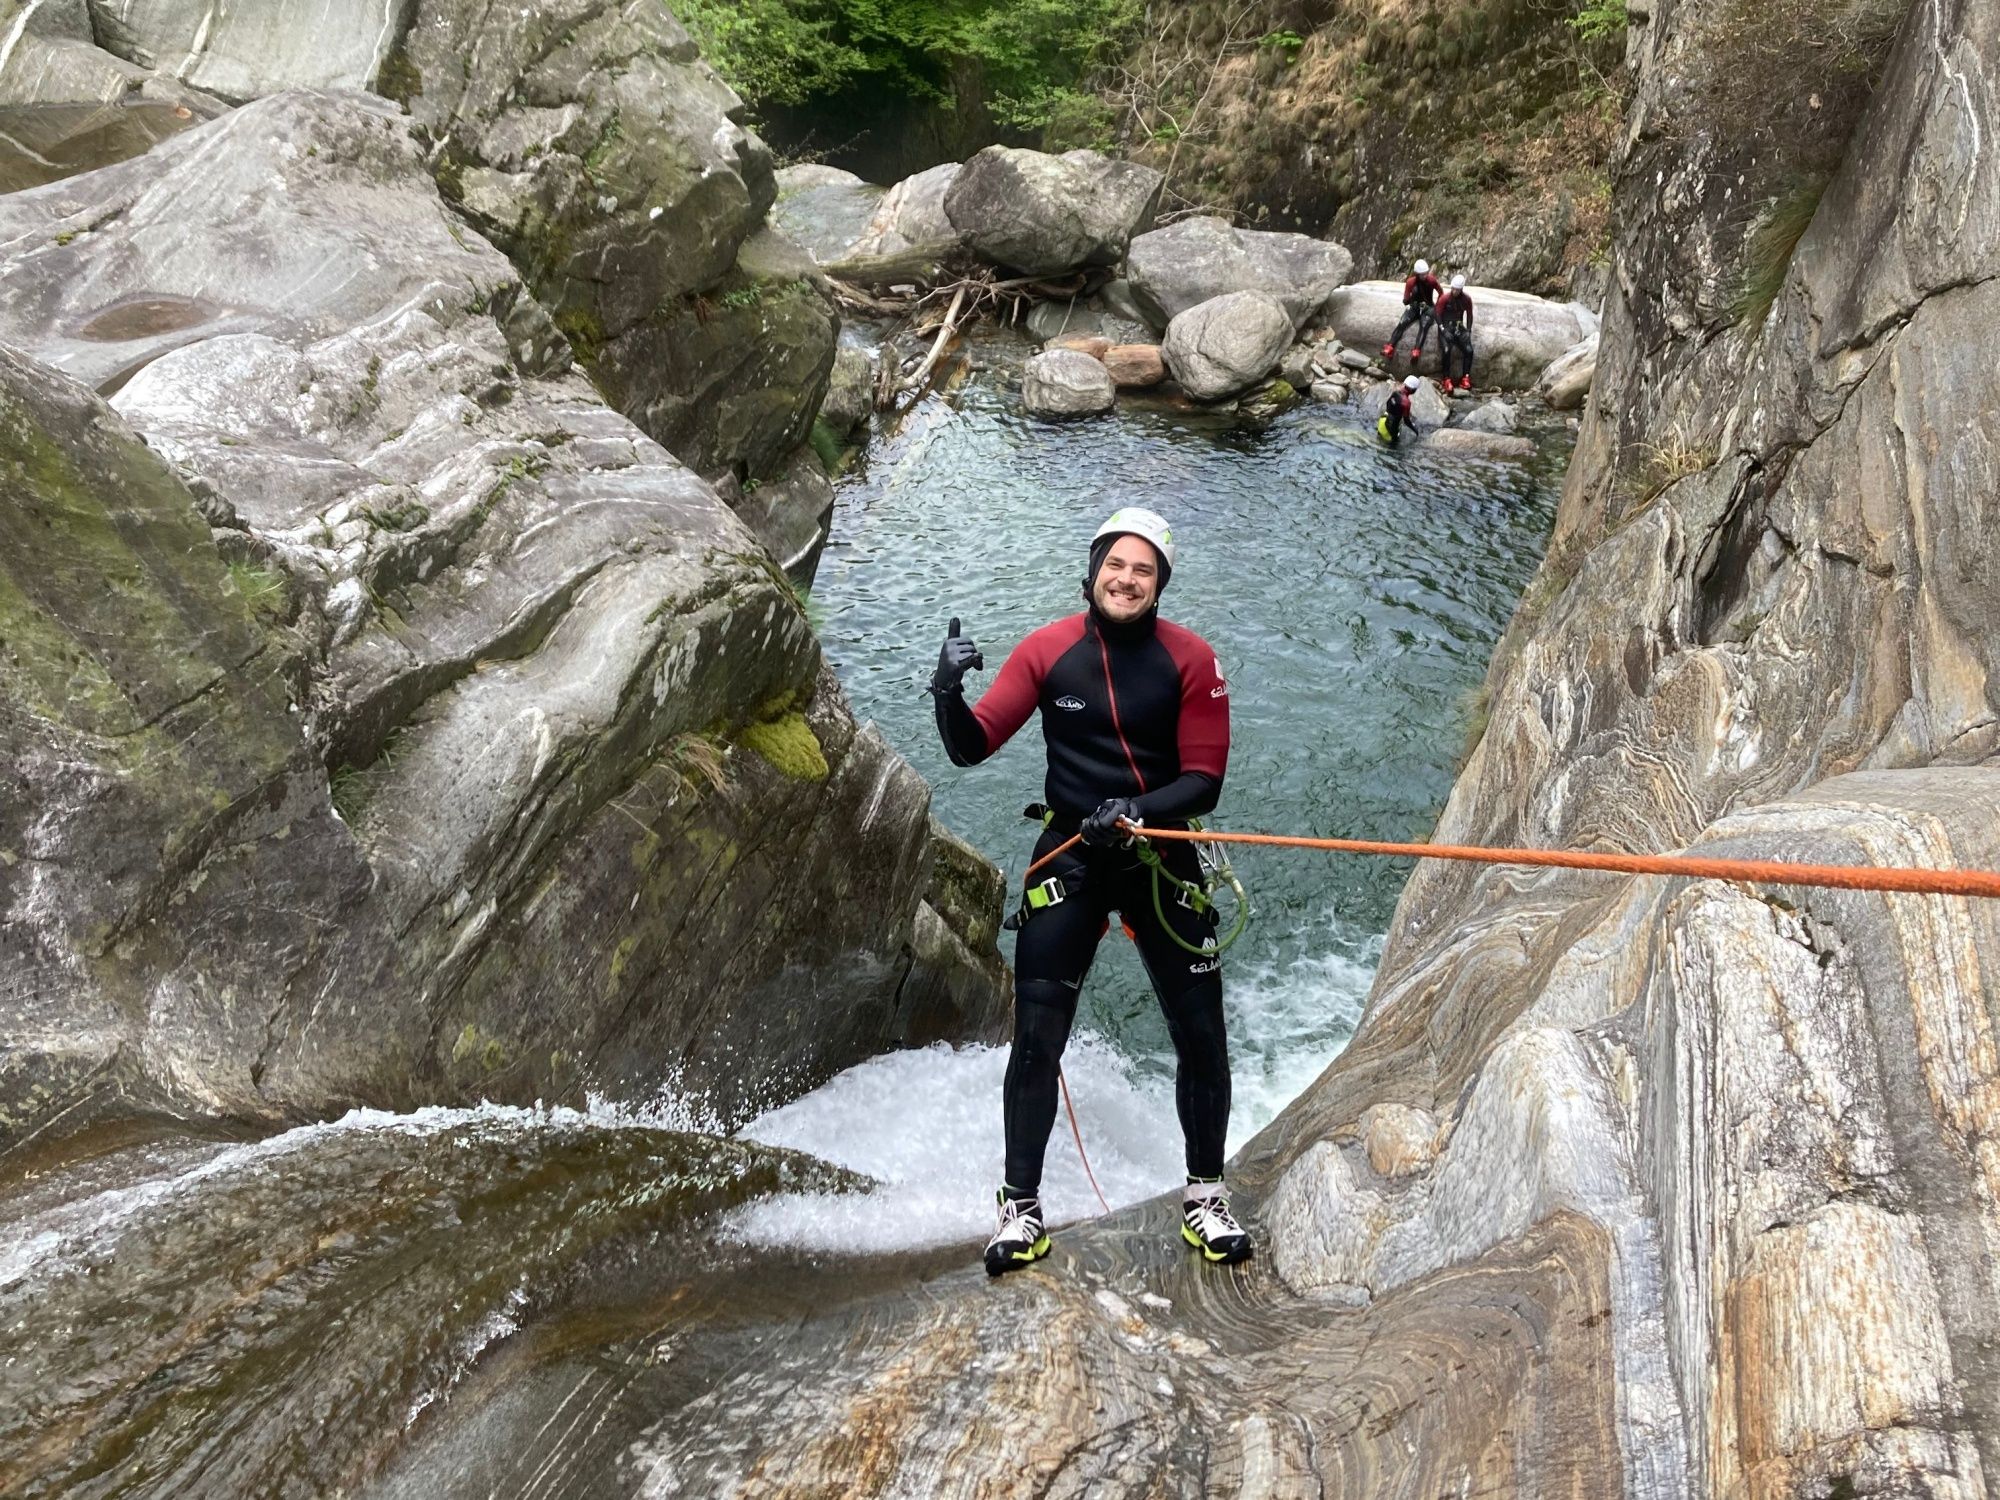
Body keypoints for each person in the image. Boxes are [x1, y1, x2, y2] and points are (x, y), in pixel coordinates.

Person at [929, 507, 1252, 1276]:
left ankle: (1205, 1198)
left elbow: (1204, 780)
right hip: (1071, 855)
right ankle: (1019, 1212)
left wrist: (1137, 811)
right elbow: (972, 747)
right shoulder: (1048, 651)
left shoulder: (1192, 660)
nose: (1128, 579)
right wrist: (944, 689)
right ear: (1094, 568)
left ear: (1159, 584)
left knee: (1200, 1035)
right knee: (1037, 1039)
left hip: (1160, 854)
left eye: (1144, 570)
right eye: (1117, 564)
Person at [1382, 258, 1443, 364]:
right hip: (1414, 307)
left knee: (1424, 327)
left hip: (1428, 307)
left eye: (1425, 274)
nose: (1424, 276)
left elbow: (1441, 293)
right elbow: (1406, 298)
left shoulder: (1431, 280)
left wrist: (1437, 307)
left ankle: (1416, 350)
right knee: (1402, 322)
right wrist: (1408, 302)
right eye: (1422, 274)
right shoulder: (1411, 282)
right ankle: (1390, 346)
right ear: (1417, 274)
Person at [1436, 274, 1475, 394]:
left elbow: (1469, 315)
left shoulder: (1466, 299)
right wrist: (1442, 329)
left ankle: (1465, 377)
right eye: (1453, 289)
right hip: (1446, 326)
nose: (1454, 291)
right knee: (1447, 349)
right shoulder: (1445, 298)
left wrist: (1468, 331)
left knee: (1469, 350)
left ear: (1461, 289)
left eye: (1457, 289)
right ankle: (1446, 378)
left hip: (1457, 326)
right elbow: (1437, 315)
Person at [1378, 373, 1423, 444]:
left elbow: (1388, 404)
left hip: (1382, 422)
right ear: (1413, 390)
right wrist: (1416, 431)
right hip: (1390, 429)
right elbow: (1406, 421)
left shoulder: (1395, 392)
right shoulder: (1406, 403)